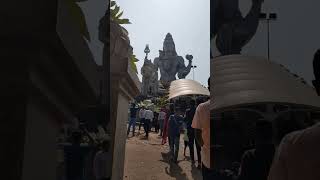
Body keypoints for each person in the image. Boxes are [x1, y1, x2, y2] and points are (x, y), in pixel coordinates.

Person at [192, 77, 212, 179]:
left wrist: (205, 147)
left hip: (208, 159)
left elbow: (197, 133)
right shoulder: (231, 106)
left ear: (209, 88)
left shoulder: (202, 108)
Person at [184, 99, 197, 164]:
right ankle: (199, 161)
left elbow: (185, 119)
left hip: (190, 129)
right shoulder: (197, 110)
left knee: (191, 145)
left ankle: (192, 159)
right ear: (195, 104)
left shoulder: (187, 111)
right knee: (198, 145)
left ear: (190, 104)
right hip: (197, 129)